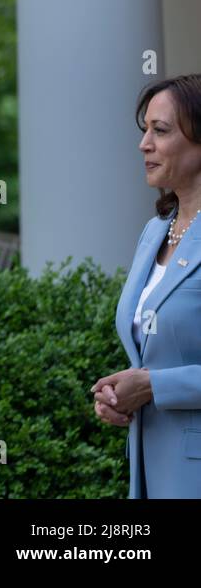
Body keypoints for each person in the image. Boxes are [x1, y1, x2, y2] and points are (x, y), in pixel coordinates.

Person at [92, 74, 201, 498]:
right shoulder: (154, 232)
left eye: (161, 131)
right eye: (145, 131)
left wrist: (154, 386)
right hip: (150, 472)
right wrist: (120, 396)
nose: (144, 145)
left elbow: (156, 376)